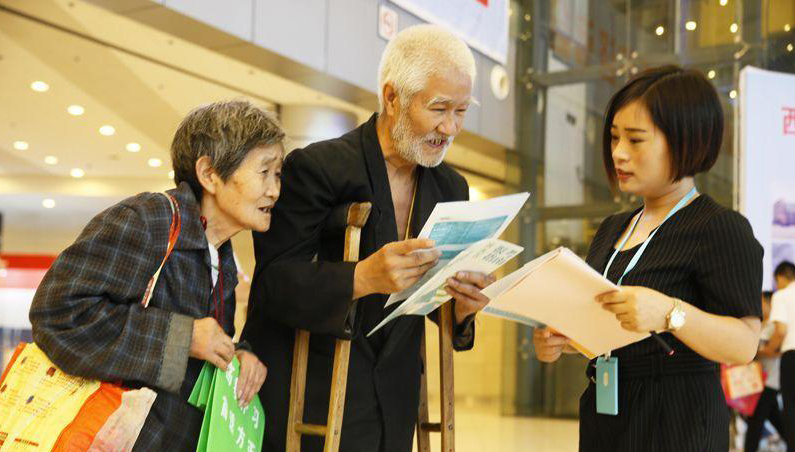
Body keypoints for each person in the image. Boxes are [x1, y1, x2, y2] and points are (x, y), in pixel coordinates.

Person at [241, 25, 493, 452]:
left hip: (392, 402)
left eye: (462, 111)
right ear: (392, 97)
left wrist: (462, 309)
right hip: (313, 397)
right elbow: (273, 285)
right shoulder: (319, 168)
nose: (449, 128)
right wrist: (361, 277)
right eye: (439, 108)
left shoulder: (451, 188)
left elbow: (431, 303)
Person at [532, 65, 763, 452]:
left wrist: (671, 313)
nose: (618, 153)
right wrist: (566, 340)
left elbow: (744, 344)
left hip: (678, 421)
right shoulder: (612, 228)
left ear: (685, 141)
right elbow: (614, 326)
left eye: (636, 140)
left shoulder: (719, 227)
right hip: (607, 413)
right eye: (614, 138)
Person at [29, 100, 282, 451]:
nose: (274, 190)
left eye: (278, 174)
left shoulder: (222, 257)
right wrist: (184, 337)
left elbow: (198, 343)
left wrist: (237, 354)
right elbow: (57, 313)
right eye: (264, 172)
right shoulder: (150, 220)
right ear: (209, 173)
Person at [746, 291, 785, 452]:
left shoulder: (776, 325)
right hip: (758, 380)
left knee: (755, 421)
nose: (759, 304)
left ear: (770, 303)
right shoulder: (762, 324)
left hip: (770, 379)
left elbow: (776, 351)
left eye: (761, 301)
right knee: (776, 418)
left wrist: (756, 350)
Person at [764, 260, 795, 449]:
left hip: (791, 355)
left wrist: (769, 350)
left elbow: (781, 331)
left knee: (790, 407)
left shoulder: (782, 295)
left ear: (781, 277)